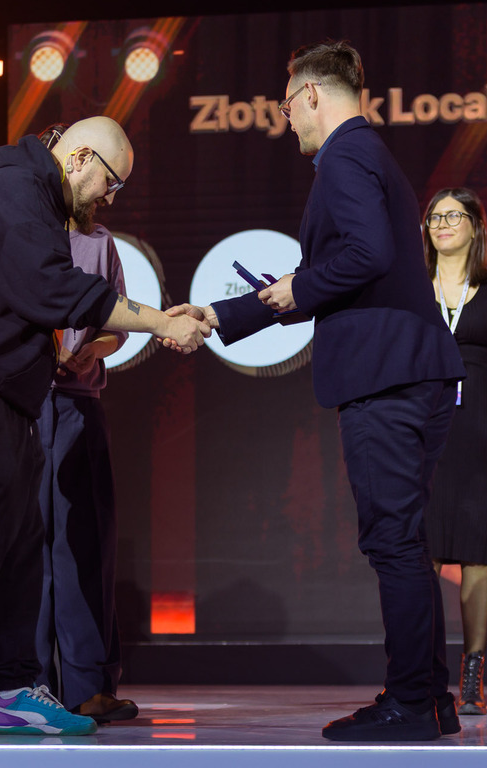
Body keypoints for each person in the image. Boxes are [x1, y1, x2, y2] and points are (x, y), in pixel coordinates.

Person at [0, 116, 209, 737]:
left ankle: (12, 687)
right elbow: (57, 291)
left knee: (19, 540)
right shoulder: (17, 194)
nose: (110, 199)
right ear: (79, 158)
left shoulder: (34, 199)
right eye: (111, 183)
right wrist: (162, 322)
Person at [177, 41, 465, 741]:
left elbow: (367, 255)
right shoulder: (366, 153)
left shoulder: (343, 155)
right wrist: (226, 314)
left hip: (386, 375)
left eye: (286, 106)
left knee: (393, 541)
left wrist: (300, 287)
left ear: (310, 95)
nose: (287, 121)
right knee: (404, 541)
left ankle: (411, 703)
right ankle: (429, 698)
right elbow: (348, 269)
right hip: (409, 369)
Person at [32, 121, 138, 725]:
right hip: (28, 407)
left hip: (78, 405)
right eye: (109, 183)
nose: (108, 198)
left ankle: (89, 683)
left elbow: (117, 325)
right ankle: (29, 682)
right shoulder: (29, 231)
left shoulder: (101, 244)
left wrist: (88, 350)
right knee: (33, 546)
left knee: (85, 545)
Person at [422, 187, 487, 715]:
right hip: (422, 428)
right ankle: (419, 670)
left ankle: (472, 676)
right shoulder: (412, 287)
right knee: (420, 552)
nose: (442, 224)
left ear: (475, 225)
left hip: (482, 425)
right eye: (434, 217)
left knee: (477, 552)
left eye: (453, 215)